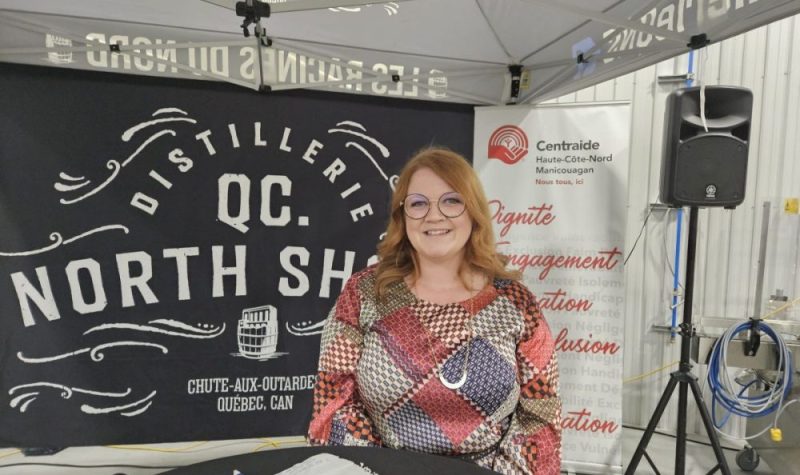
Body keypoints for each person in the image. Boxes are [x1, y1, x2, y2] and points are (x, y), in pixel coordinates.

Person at [308, 147, 561, 474]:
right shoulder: (363, 294)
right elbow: (334, 400)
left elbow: (540, 412)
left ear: (473, 211)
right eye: (418, 203)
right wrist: (377, 469)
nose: (434, 215)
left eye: (451, 201)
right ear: (402, 217)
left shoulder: (515, 302)